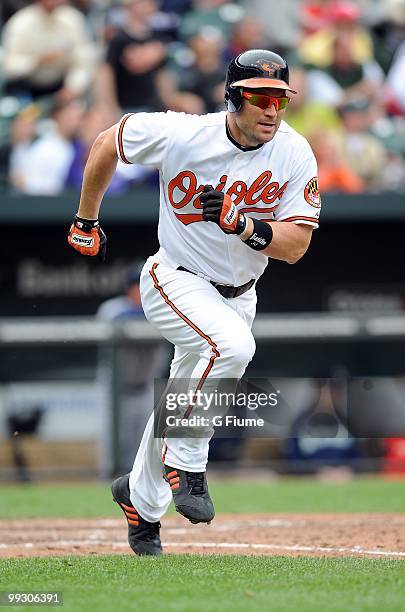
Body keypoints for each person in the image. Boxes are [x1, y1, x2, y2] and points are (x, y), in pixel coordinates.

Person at [67, 49, 321, 556]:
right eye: (260, 97)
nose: (272, 109)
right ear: (234, 96)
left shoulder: (294, 151)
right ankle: (187, 461)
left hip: (240, 292)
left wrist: (242, 224)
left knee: (187, 390)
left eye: (280, 99)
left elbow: (295, 246)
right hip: (175, 277)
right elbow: (106, 142)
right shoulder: (185, 132)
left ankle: (139, 503)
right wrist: (86, 219)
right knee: (232, 348)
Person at [1, 0, 96, 102]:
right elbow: (8, 65)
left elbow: (84, 59)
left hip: (61, 87)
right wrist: (37, 61)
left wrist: (73, 86)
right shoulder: (21, 22)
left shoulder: (73, 20)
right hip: (24, 89)